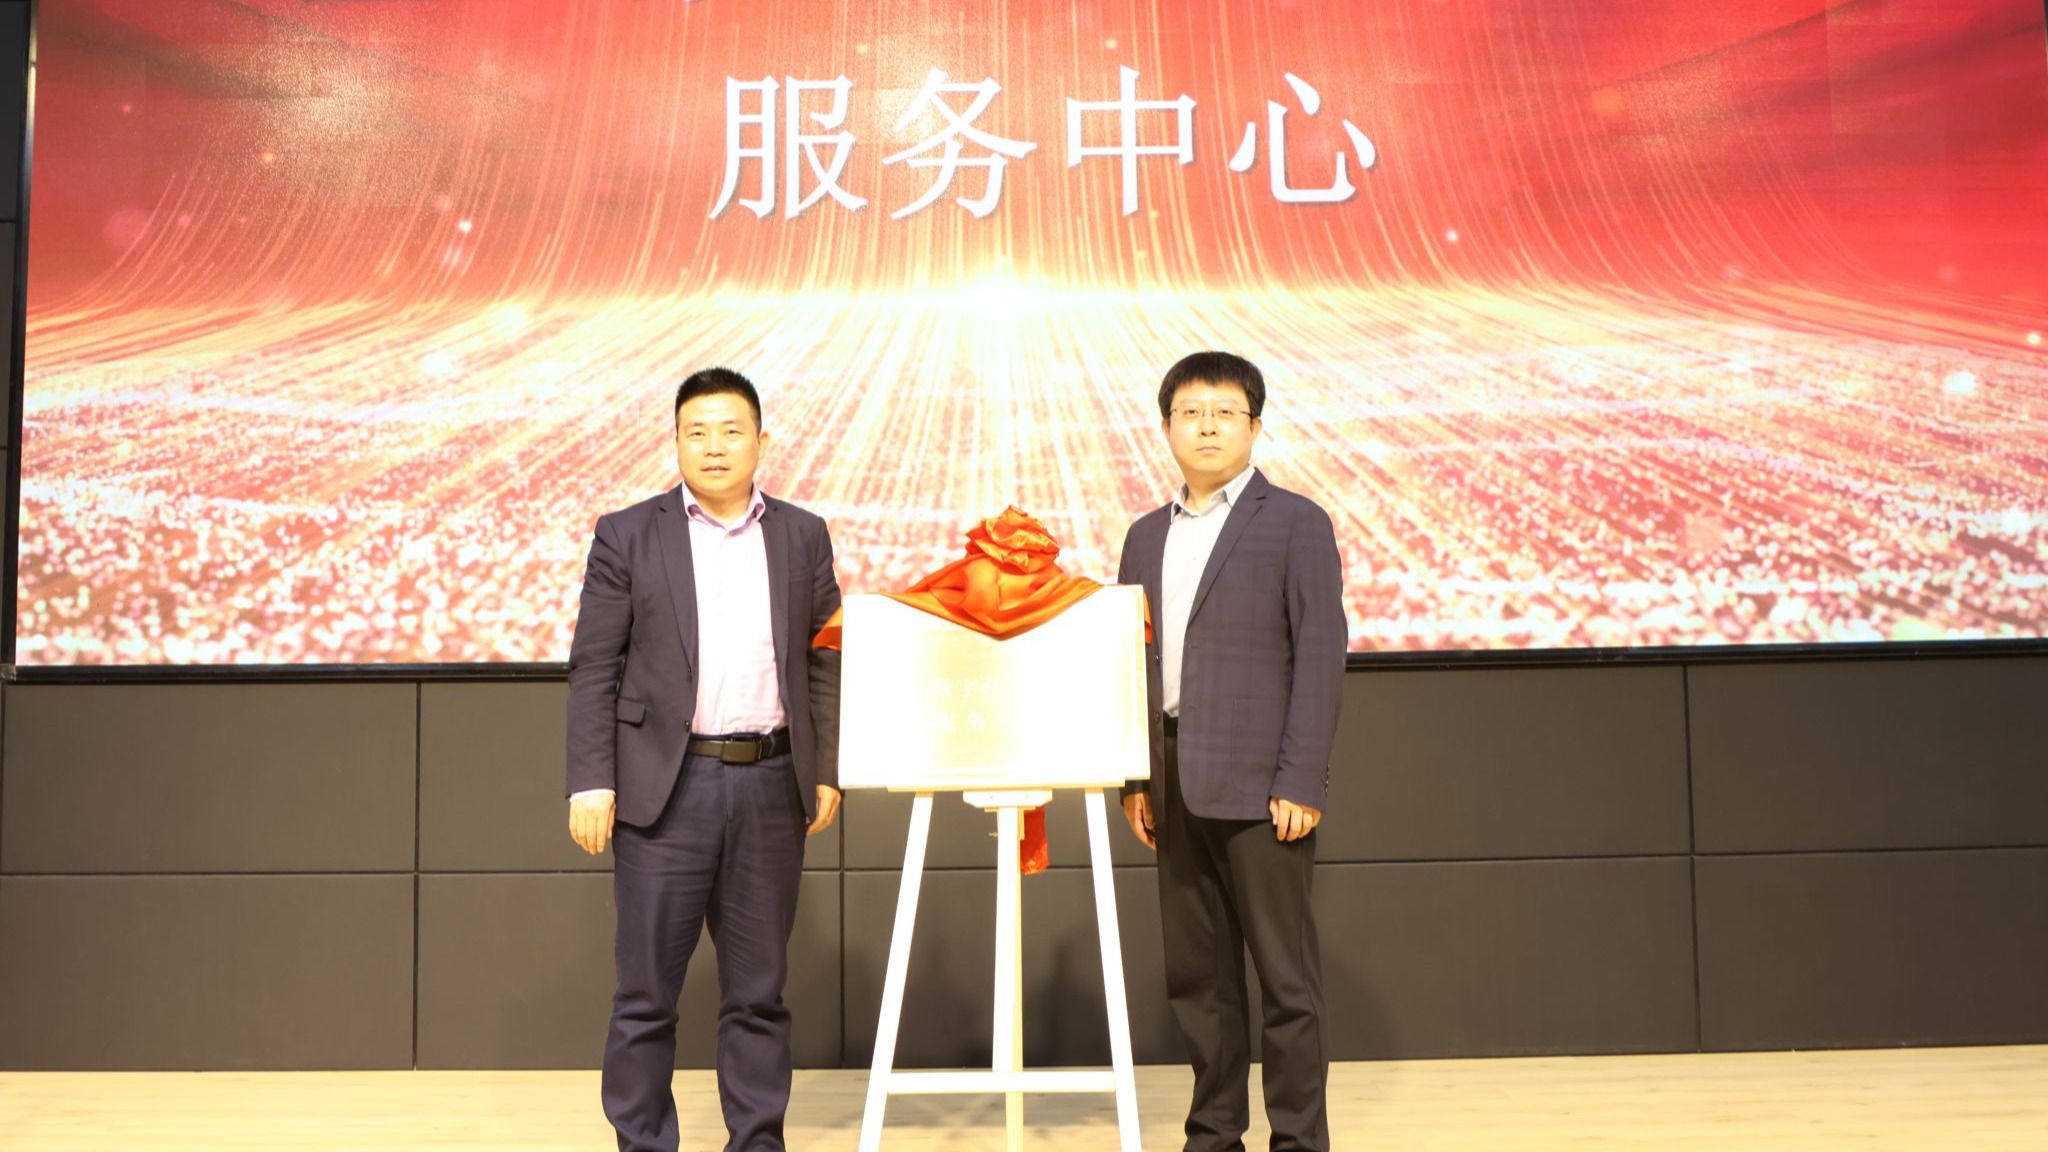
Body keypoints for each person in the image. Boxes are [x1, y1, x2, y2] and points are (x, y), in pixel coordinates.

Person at [564, 367, 843, 1152]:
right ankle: (644, 1143)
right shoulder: (628, 533)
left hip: (771, 785)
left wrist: (825, 767)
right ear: (677, 442)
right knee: (646, 995)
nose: (714, 446)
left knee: (758, 995)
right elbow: (595, 666)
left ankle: (757, 1142)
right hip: (666, 788)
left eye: (730, 431)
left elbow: (825, 658)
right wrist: (591, 780)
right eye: (697, 432)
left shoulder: (802, 534)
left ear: (761, 441)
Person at [1116, 351, 1347, 1152]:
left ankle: (1298, 1140)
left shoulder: (1295, 523)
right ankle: (1213, 1134)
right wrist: (1135, 778)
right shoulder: (1145, 536)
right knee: (1199, 981)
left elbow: (1319, 656)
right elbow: (1133, 664)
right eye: (1191, 412)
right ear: (1167, 427)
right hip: (1172, 780)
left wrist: (1301, 778)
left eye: (1224, 412)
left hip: (1263, 787)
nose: (1207, 427)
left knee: (1286, 981)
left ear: (1254, 426)